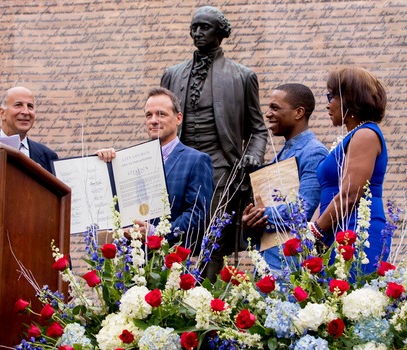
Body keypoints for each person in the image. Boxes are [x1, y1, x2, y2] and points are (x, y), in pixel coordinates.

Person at [160, 6, 268, 279]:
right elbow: (160, 120)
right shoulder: (172, 75)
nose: (197, 33)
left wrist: (254, 155)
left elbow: (258, 130)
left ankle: (206, 300)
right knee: (171, 231)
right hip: (179, 164)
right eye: (194, 27)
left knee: (213, 236)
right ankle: (170, 293)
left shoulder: (242, 76)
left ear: (220, 33)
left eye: (205, 27)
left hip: (219, 166)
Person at [97, 87, 214, 249]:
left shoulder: (197, 160)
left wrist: (156, 232)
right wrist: (104, 164)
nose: (153, 120)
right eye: (148, 115)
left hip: (171, 261)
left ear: (178, 118)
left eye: (161, 114)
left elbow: (197, 216)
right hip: (130, 261)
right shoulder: (130, 161)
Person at [242, 84, 328, 272]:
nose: (267, 114)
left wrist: (262, 214)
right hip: (269, 261)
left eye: (275, 108)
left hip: (290, 265)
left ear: (298, 113)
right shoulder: (281, 154)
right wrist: (250, 224)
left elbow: (303, 208)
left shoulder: (314, 152)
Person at [311, 67, 389, 275]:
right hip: (333, 227)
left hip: (357, 231)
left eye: (331, 96)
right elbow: (330, 191)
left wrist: (317, 229)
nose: (327, 104)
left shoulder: (366, 135)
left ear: (350, 98)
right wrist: (312, 230)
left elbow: (350, 194)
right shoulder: (353, 136)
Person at [0, 86, 58, 174]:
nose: (26, 112)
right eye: (18, 105)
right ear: (2, 113)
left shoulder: (48, 156)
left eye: (30, 106)